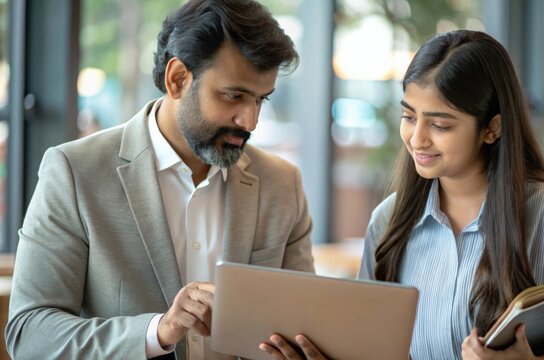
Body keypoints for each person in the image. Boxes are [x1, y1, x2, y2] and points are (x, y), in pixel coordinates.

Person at [260, 30, 544, 360]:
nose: (417, 138)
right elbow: (366, 340)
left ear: (492, 128)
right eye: (409, 116)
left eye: (440, 125)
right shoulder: (389, 219)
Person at [5, 0, 314, 359]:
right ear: (178, 78)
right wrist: (158, 331)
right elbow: (29, 333)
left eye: (261, 100)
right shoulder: (75, 172)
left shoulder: (282, 184)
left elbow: (301, 324)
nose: (250, 121)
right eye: (234, 96)